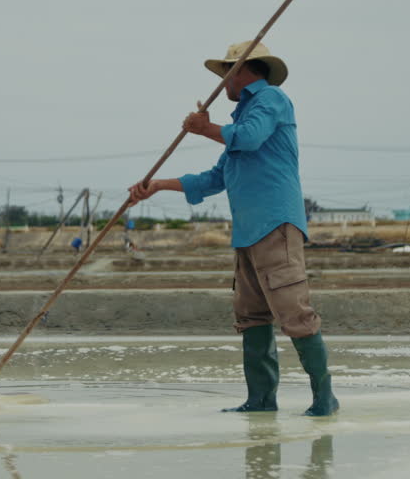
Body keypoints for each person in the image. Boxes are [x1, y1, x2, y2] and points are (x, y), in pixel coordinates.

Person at [128, 40, 338, 416]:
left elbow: (250, 138)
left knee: (294, 312)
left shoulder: (271, 100)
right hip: (247, 230)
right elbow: (215, 178)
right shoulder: (240, 117)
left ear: (243, 70)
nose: (222, 81)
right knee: (251, 316)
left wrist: (207, 128)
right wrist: (158, 184)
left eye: (226, 71)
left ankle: (325, 400)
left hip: (275, 224)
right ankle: (260, 400)